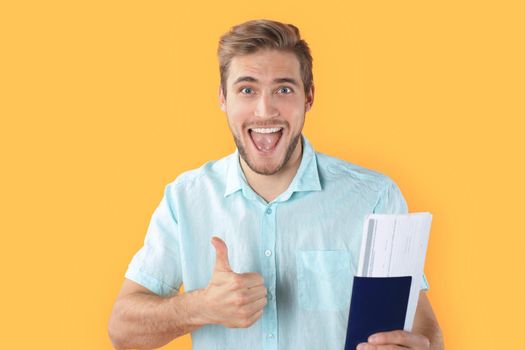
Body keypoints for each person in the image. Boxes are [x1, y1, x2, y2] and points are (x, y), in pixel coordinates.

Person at [108, 19, 444, 350]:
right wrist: (201, 307)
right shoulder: (185, 199)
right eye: (247, 89)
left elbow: (424, 330)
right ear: (223, 98)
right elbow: (122, 330)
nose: (264, 110)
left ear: (308, 97)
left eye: (283, 89)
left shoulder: (373, 197)